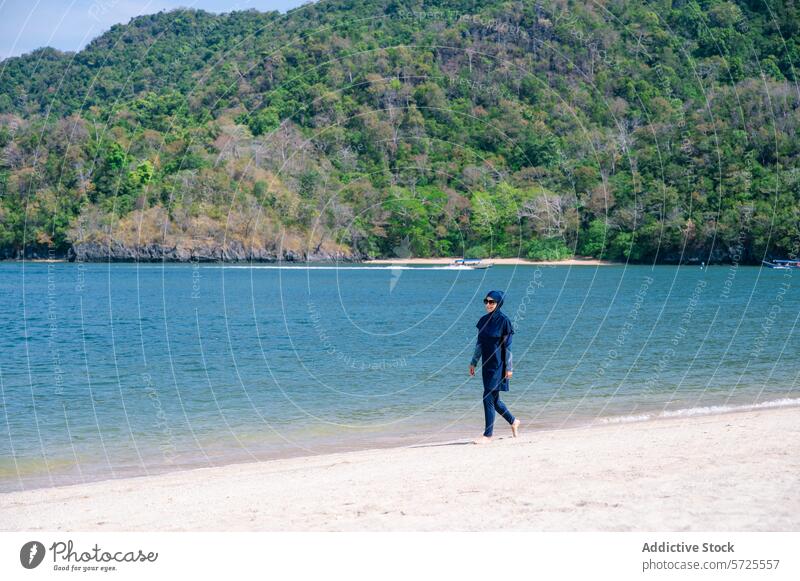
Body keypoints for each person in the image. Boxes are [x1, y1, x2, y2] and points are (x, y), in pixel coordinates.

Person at [469, 290, 520, 444]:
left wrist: (509, 368)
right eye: (486, 301)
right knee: (494, 400)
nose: (488, 304)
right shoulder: (483, 320)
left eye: (492, 302)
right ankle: (513, 421)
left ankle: (488, 435)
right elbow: (479, 344)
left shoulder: (504, 321)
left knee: (487, 397)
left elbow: (508, 347)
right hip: (486, 365)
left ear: (499, 303)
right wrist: (473, 362)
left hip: (499, 364)